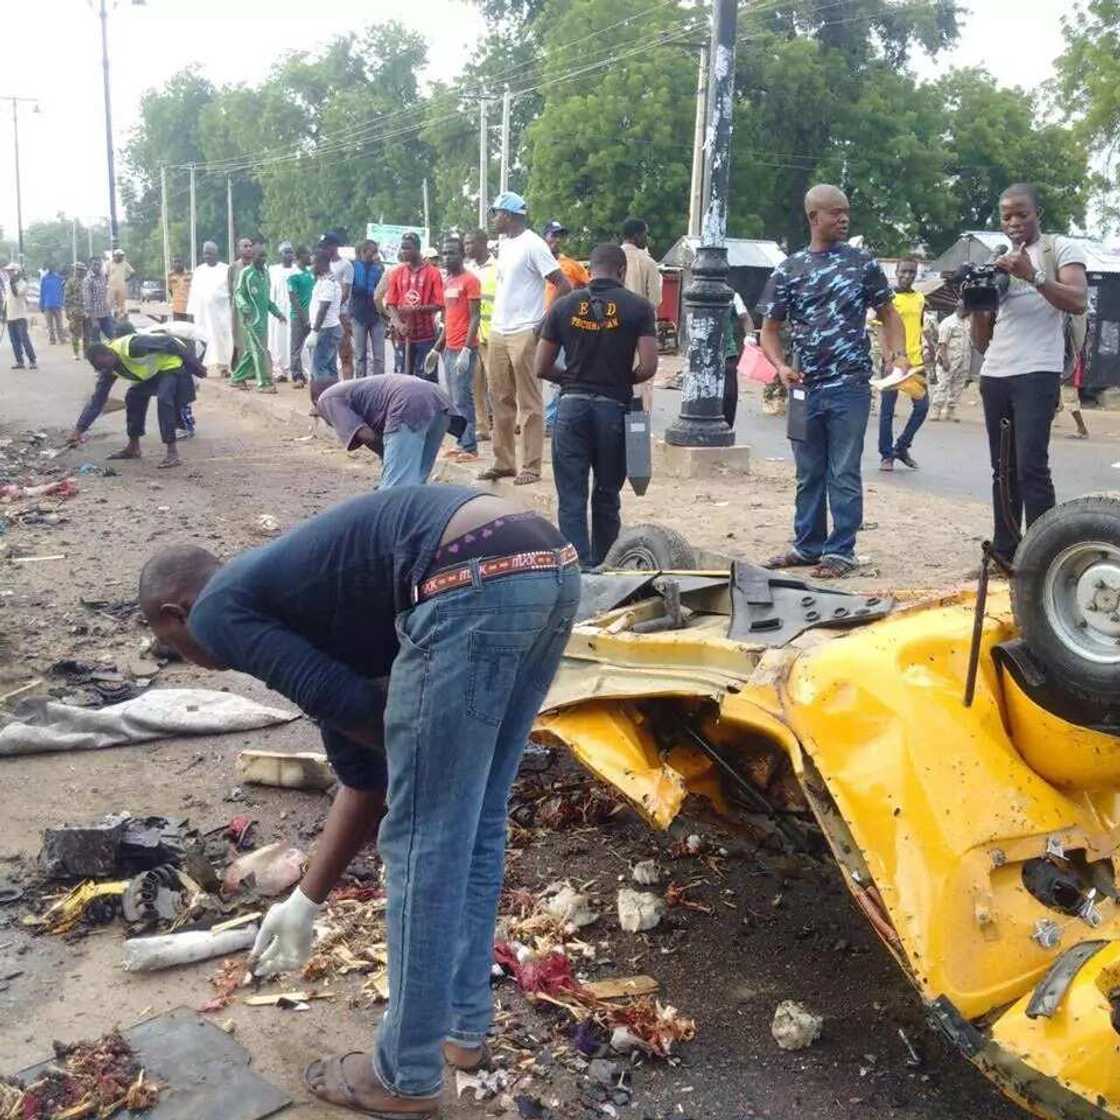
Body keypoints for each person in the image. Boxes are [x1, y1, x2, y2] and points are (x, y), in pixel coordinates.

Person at [137, 486, 579, 1117]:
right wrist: (304, 899)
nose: (197, 661)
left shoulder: (216, 613)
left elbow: (355, 713)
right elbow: (362, 772)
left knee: (425, 834)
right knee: (475, 816)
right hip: (547, 563)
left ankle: (403, 1075)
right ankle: (462, 1030)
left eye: (171, 644)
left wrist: (424, 760)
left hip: (468, 575)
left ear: (176, 613)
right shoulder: (305, 599)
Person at [760, 184, 908, 580]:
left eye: (846, 212)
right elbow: (769, 330)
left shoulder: (862, 264)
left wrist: (899, 353)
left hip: (850, 385)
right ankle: (807, 545)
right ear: (813, 218)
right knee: (808, 471)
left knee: (843, 469)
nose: (844, 219)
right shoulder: (788, 270)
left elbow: (889, 314)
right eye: (834, 213)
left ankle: (840, 551)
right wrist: (779, 366)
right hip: (805, 386)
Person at [970, 182, 1088, 565]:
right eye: (1007, 216)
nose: (1014, 222)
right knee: (1001, 469)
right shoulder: (999, 257)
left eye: (1022, 213)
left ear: (1038, 214)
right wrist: (977, 300)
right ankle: (1005, 551)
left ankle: (1043, 557)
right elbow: (981, 340)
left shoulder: (1059, 249)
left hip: (1038, 370)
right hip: (996, 372)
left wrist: (1033, 275)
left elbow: (1077, 299)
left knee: (1031, 467)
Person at [537, 243, 658, 567]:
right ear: (622, 271)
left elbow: (542, 366)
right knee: (606, 495)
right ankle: (605, 567)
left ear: (590, 269)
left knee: (571, 498)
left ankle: (579, 570)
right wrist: (616, 379)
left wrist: (574, 380)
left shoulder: (563, 306)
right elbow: (647, 367)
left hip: (571, 410)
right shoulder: (639, 308)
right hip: (613, 411)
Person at [480, 192, 572, 486]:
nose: (494, 219)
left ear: (508, 215)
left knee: (529, 402)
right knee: (500, 398)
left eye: (496, 213)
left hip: (524, 330)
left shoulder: (534, 244)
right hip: (499, 330)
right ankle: (504, 461)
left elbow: (563, 284)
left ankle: (531, 465)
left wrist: (542, 324)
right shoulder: (506, 245)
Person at [66, 331, 206, 469]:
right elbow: (97, 401)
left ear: (109, 353)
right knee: (133, 396)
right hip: (154, 372)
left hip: (171, 365)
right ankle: (133, 447)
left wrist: (196, 366)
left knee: (164, 400)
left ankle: (172, 453)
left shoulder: (133, 346)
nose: (107, 370)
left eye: (106, 365)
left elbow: (170, 342)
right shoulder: (107, 367)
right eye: (102, 368)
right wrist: (79, 430)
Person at [312, 374, 455, 487]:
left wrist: (391, 457)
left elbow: (365, 435)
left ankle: (393, 523)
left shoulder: (326, 399)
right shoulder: (357, 390)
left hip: (408, 402)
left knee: (396, 490)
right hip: (439, 400)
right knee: (417, 480)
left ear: (315, 402)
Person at [433, 237, 481, 463]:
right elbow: (447, 318)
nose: (446, 257)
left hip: (464, 347)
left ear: (462, 255)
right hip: (449, 347)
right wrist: (437, 347)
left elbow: (475, 316)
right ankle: (461, 441)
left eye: (452, 253)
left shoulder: (470, 280)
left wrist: (467, 349)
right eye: (444, 253)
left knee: (463, 398)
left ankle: (470, 446)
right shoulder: (448, 281)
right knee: (453, 398)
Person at [878, 258, 929, 471]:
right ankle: (886, 455)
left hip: (915, 363)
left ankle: (901, 446)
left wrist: (927, 350)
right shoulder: (888, 297)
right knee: (887, 411)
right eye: (904, 271)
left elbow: (919, 328)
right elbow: (881, 328)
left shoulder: (920, 298)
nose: (907, 276)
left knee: (922, 407)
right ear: (896, 272)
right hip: (895, 363)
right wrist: (888, 357)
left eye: (912, 272)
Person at [541, 220, 591, 433]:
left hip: (561, 327)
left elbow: (588, 289)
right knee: (531, 373)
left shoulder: (571, 266)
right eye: (553, 234)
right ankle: (529, 418)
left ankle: (553, 419)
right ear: (545, 237)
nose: (557, 239)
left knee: (557, 371)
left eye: (560, 235)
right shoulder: (534, 260)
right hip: (533, 324)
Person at [385, 232, 444, 379]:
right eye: (402, 248)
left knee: (425, 379)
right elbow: (391, 303)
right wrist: (398, 324)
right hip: (402, 336)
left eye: (407, 248)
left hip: (426, 336)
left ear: (417, 249)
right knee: (401, 379)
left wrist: (417, 309)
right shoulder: (397, 272)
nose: (403, 252)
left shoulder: (433, 273)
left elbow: (439, 304)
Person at [230, 241, 286, 394]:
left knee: (251, 351)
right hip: (250, 320)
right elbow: (238, 293)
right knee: (260, 350)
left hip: (263, 321)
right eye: (261, 256)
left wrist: (277, 313)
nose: (264, 259)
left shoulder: (265, 274)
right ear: (253, 256)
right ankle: (263, 384)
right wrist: (243, 306)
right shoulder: (246, 273)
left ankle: (236, 378)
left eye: (265, 256)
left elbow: (266, 300)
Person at [620, 218, 662, 413]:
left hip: (610, 327)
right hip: (640, 332)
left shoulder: (610, 257)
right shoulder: (648, 263)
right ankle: (638, 429)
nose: (647, 238)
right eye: (645, 233)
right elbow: (655, 300)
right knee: (643, 381)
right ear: (636, 235)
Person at [465, 229, 496, 443]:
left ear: (483, 243)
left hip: (494, 333)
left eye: (470, 243)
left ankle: (507, 425)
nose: (467, 248)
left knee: (498, 385)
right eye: (465, 244)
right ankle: (482, 426)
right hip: (472, 335)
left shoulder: (499, 268)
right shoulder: (467, 270)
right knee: (476, 385)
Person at [187, 241, 234, 377]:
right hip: (203, 314)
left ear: (216, 254)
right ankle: (200, 368)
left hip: (222, 314)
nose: (207, 256)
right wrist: (191, 313)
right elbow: (193, 293)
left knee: (224, 339)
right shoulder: (198, 270)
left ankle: (225, 367)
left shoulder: (226, 269)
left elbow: (231, 291)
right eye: (205, 253)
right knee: (202, 339)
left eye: (209, 253)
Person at [305, 247, 343, 382]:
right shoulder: (324, 280)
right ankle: (334, 398)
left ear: (321, 263)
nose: (311, 267)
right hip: (328, 328)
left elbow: (323, 308)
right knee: (330, 366)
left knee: (319, 367)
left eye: (313, 263)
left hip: (326, 329)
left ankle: (322, 398)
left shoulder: (328, 283)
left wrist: (315, 331)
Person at [321, 231, 355, 378]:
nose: (323, 250)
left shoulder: (345, 265)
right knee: (326, 354)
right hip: (324, 314)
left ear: (334, 246)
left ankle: (347, 386)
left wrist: (331, 308)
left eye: (326, 246)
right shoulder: (322, 265)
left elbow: (345, 292)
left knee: (345, 353)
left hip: (340, 314)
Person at [351, 240, 386, 378]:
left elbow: (382, 291)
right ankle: (360, 384)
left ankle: (379, 384)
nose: (376, 254)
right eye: (373, 250)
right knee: (360, 356)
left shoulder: (378, 269)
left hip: (376, 316)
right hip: (358, 315)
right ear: (364, 251)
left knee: (379, 356)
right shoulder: (353, 267)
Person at [932, 302, 971, 422]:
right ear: (960, 308)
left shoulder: (967, 323)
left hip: (963, 359)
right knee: (943, 384)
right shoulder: (948, 322)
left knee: (958, 386)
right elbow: (942, 343)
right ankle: (936, 410)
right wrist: (944, 360)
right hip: (949, 359)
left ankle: (951, 410)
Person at [267, 242, 299, 382]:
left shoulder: (298, 270)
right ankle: (279, 371)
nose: (289, 255)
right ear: (280, 255)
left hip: (294, 310)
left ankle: (296, 370)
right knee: (278, 341)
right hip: (278, 311)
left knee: (294, 340)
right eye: (286, 252)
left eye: (291, 252)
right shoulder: (273, 270)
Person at [287, 246, 313, 387]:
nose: (310, 257)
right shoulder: (293, 274)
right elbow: (293, 299)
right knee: (296, 347)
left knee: (312, 346)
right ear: (301, 256)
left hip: (312, 317)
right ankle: (297, 376)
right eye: (308, 255)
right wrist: (304, 318)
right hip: (298, 317)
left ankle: (311, 374)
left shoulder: (310, 273)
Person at [228, 236, 254, 372]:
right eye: (245, 246)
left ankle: (253, 370)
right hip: (238, 310)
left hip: (254, 309)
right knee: (239, 339)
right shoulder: (233, 267)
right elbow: (230, 290)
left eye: (250, 246)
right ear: (239, 249)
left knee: (254, 339)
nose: (249, 248)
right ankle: (239, 370)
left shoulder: (256, 266)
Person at [4, 264, 37, 369]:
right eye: (8, 271)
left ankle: (32, 360)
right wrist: (3, 313)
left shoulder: (23, 283)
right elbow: (7, 299)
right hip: (10, 316)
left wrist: (13, 283)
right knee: (14, 341)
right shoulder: (7, 283)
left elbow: (17, 294)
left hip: (20, 316)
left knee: (24, 339)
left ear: (16, 271)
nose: (9, 273)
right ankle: (19, 361)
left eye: (11, 271)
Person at [82, 257, 113, 347]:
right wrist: (91, 315)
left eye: (99, 264)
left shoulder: (104, 277)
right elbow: (87, 297)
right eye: (95, 264)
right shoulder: (88, 280)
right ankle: (96, 356)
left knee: (111, 334)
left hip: (105, 312)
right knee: (95, 336)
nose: (97, 266)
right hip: (94, 314)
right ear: (90, 265)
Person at [64, 262, 87, 361]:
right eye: (77, 269)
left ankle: (86, 353)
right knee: (75, 333)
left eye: (81, 270)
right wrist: (67, 311)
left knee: (87, 333)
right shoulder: (70, 282)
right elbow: (67, 298)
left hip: (87, 311)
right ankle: (76, 352)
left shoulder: (87, 281)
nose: (79, 271)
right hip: (75, 311)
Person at [40, 263, 66, 345]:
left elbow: (42, 293)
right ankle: (60, 339)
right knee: (58, 323)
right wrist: (62, 302)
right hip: (56, 304)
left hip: (48, 304)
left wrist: (41, 305)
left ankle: (53, 340)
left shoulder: (45, 279)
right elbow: (62, 291)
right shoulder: (59, 278)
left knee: (50, 324)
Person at [107, 249, 134, 318]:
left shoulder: (124, 263)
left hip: (121, 286)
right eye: (118, 256)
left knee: (121, 303)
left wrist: (127, 279)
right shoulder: (109, 263)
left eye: (121, 256)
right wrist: (107, 281)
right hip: (111, 286)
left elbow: (132, 272)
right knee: (109, 303)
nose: (120, 258)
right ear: (114, 256)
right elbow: (105, 273)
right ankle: (109, 317)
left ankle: (120, 317)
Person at [167, 257, 192, 322]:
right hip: (176, 309)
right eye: (175, 262)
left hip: (189, 308)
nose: (177, 264)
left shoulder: (190, 274)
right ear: (173, 264)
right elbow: (170, 290)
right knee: (177, 329)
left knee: (189, 329)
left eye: (179, 262)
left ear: (183, 263)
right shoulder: (170, 275)